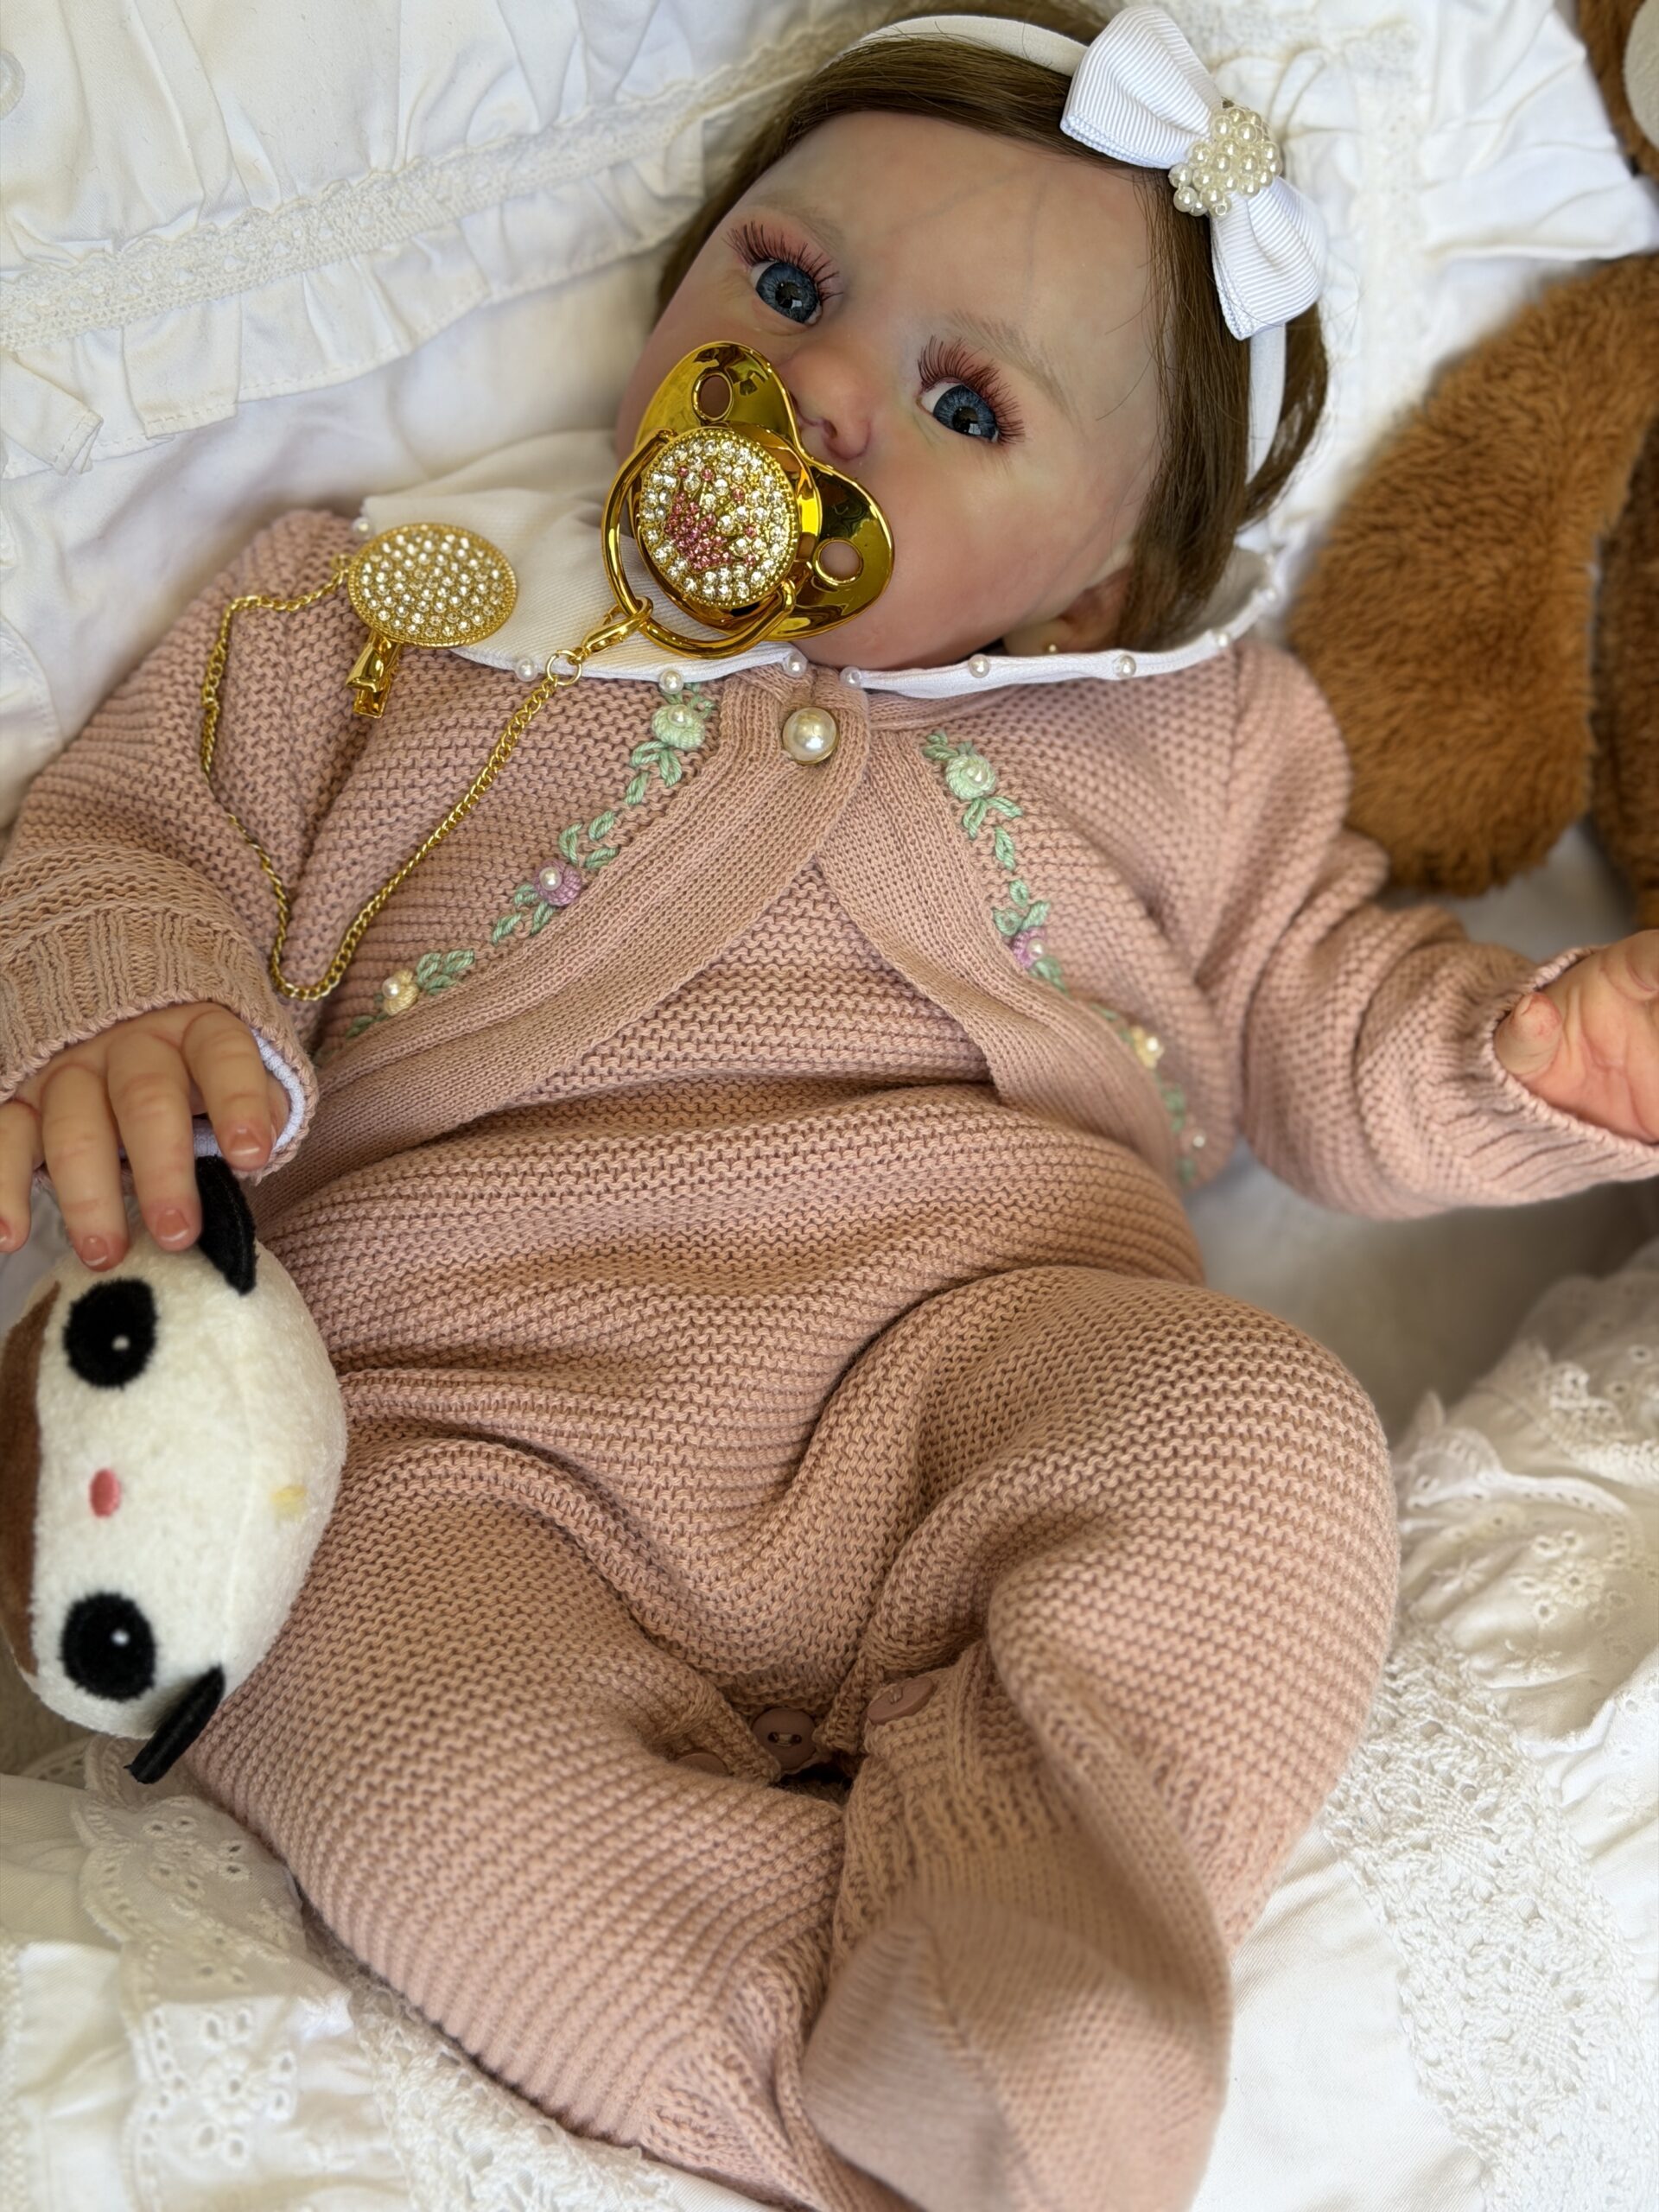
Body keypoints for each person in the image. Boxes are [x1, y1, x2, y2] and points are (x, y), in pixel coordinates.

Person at [1, 8, 1655, 2208]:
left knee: (1260, 1437)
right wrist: (132, 997)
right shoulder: (386, 590)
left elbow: (1326, 1025)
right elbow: (138, 823)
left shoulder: (1186, 733)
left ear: (1091, 581)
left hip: (981, 1365)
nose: (822, 388)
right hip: (463, 1430)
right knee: (384, 1736)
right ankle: (865, 2090)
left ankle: (1023, 1931)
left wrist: (1527, 1060)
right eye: (786, 284)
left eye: (969, 406)